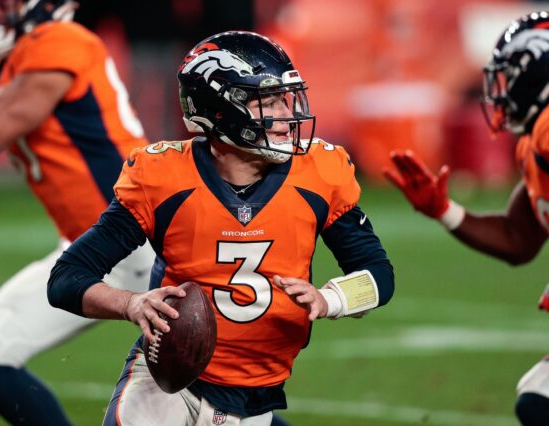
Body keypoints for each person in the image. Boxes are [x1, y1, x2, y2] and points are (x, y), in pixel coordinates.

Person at [47, 30, 395, 425]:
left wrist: (330, 299)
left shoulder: (320, 173)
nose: (285, 114)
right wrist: (130, 303)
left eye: (286, 98)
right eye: (267, 102)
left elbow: (379, 274)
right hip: (169, 380)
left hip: (257, 398)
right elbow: (66, 278)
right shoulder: (163, 178)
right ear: (219, 111)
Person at [0, 0, 155, 424]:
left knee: (199, 394)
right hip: (89, 248)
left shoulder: (59, 41)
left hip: (136, 237)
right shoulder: (6, 67)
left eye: (3, 4)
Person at [383, 11, 549, 426]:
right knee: (539, 398)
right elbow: (517, 238)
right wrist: (445, 210)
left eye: (512, 76)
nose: (503, 91)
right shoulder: (534, 143)